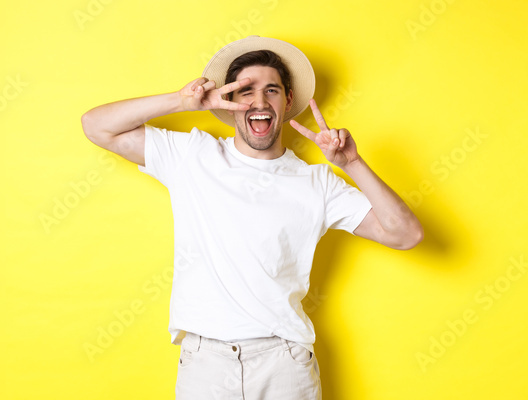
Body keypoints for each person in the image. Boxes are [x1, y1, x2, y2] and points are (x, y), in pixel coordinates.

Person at [80, 36, 423, 399]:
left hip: (285, 364)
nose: (259, 101)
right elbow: (96, 126)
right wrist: (182, 101)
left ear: (288, 101)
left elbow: (406, 235)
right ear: (230, 102)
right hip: (205, 365)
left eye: (272, 90)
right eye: (245, 91)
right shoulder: (192, 155)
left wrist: (352, 164)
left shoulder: (317, 183)